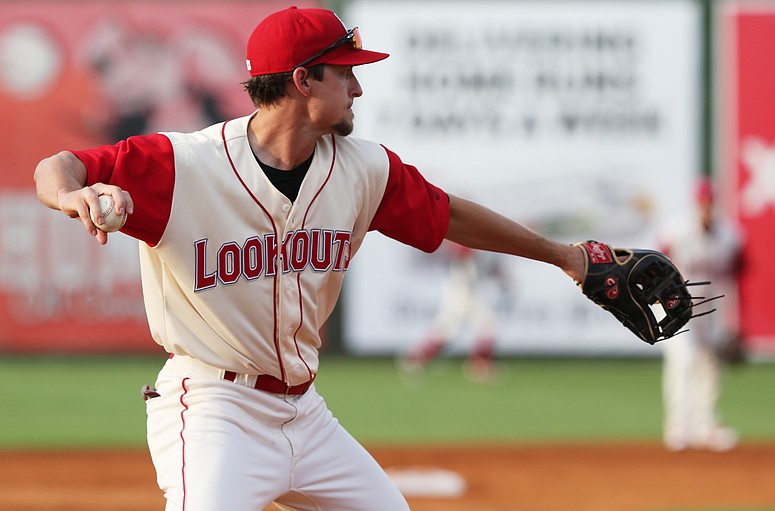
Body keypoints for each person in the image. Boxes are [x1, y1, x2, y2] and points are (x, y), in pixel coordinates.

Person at [34, 7, 587, 511]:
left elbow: (451, 216)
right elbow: (60, 166)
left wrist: (566, 256)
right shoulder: (184, 165)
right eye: (345, 72)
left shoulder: (363, 169)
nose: (357, 87)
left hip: (306, 413)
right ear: (302, 79)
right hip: (213, 409)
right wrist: (69, 195)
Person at [659, 178, 744, 452]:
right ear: (696, 205)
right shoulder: (677, 231)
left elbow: (738, 274)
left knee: (711, 364)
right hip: (677, 306)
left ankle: (705, 425)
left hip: (711, 309)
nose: (706, 208)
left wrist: (737, 322)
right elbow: (657, 266)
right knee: (684, 360)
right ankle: (678, 426)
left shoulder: (730, 236)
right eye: (702, 203)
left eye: (710, 203)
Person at [398, 241, 505, 384]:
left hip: (470, 288)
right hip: (460, 288)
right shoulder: (466, 239)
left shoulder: (481, 243)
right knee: (448, 329)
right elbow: (461, 250)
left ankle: (480, 366)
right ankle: (416, 358)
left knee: (485, 326)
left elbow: (487, 265)